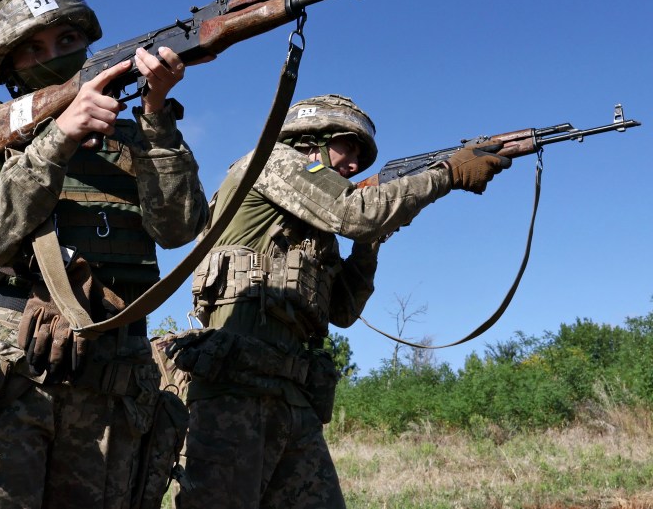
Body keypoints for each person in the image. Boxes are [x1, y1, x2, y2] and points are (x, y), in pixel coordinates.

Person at [0, 0, 208, 509]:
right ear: (5, 63)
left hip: (116, 375)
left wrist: (155, 116)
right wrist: (58, 139)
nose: (54, 55)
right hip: (11, 364)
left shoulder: (136, 134)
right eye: (32, 48)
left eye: (68, 39)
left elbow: (178, 230)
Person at [172, 94, 511, 509]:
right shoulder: (274, 161)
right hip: (235, 387)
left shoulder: (311, 222)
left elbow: (343, 310)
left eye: (359, 157)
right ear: (312, 138)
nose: (353, 165)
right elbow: (358, 214)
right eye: (347, 148)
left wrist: (369, 246)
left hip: (292, 392)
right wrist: (447, 174)